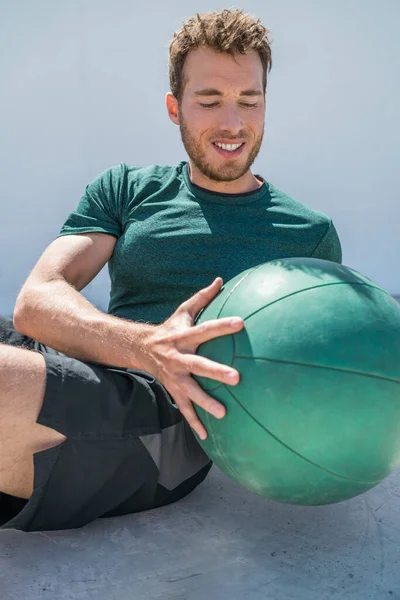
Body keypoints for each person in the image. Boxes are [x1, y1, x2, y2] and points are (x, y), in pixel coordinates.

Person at [0, 8, 342, 531]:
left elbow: (322, 372)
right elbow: (37, 301)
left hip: (169, 420)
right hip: (85, 363)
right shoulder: (126, 188)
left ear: (266, 105)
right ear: (174, 107)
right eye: (209, 101)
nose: (232, 123)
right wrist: (148, 346)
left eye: (249, 101)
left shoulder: (309, 236)